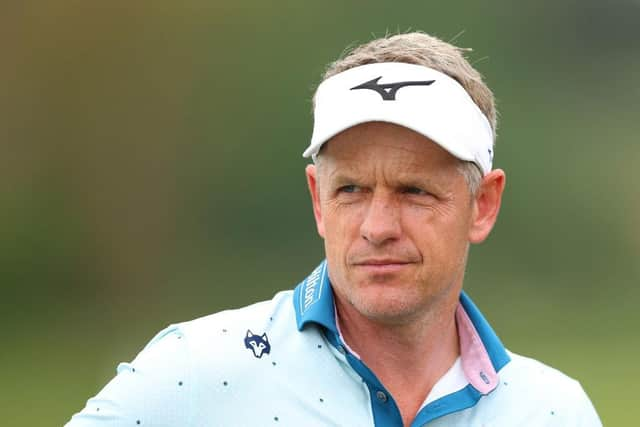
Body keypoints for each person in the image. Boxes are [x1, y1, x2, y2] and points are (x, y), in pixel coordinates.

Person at [66, 32, 601, 427]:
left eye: (413, 191)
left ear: (482, 205)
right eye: (350, 191)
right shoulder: (193, 371)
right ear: (318, 201)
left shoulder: (555, 411)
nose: (377, 227)